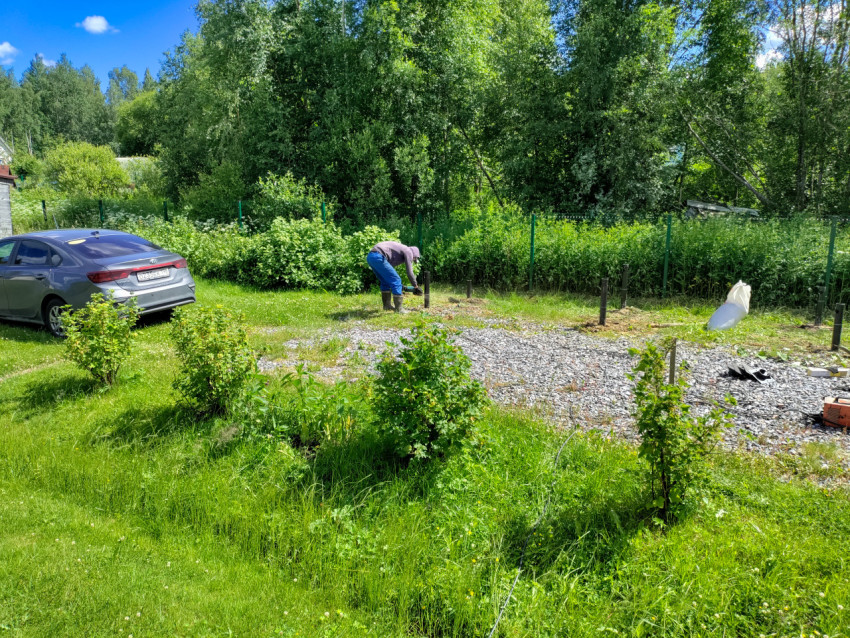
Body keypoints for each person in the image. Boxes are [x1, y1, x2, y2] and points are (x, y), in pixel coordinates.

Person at [367, 241, 423, 312]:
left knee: (385, 281)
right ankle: (399, 309)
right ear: (414, 254)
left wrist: (401, 286)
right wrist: (415, 286)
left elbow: (389, 272)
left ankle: (387, 306)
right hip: (379, 256)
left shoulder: (400, 251)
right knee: (396, 279)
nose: (412, 260)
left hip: (371, 257)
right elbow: (409, 272)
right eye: (414, 259)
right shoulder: (409, 251)